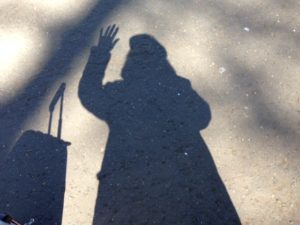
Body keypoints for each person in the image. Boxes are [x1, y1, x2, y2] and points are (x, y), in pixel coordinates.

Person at [79, 25, 241, 225]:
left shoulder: (119, 93)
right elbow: (202, 117)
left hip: (130, 186)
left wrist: (101, 53)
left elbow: (89, 94)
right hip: (183, 182)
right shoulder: (177, 88)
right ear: (161, 64)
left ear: (130, 65)